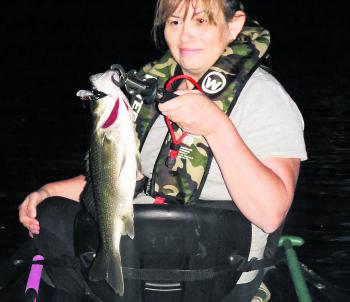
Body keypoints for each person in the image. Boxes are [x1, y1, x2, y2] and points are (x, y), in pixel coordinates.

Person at [18, 0, 307, 301]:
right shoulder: (149, 94)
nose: (185, 36)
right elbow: (115, 175)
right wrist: (48, 191)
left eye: (201, 21)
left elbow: (272, 213)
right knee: (49, 217)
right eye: (175, 22)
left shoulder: (264, 96)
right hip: (134, 262)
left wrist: (215, 127)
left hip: (217, 277)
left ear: (233, 25)